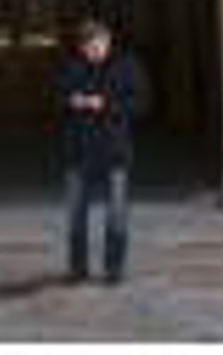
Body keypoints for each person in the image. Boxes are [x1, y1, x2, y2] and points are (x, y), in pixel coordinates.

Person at [57, 17, 148, 284]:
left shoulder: (127, 66)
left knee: (116, 213)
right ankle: (78, 269)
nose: (92, 50)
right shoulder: (73, 67)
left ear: (107, 40)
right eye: (87, 46)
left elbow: (141, 103)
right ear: (80, 47)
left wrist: (106, 104)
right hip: (78, 151)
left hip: (114, 150)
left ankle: (113, 268)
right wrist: (71, 101)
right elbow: (58, 98)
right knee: (76, 214)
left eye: (96, 44)